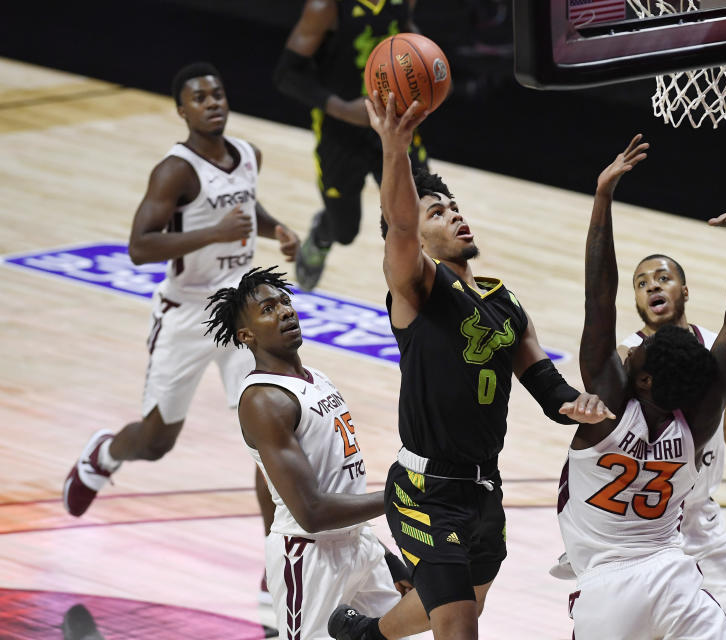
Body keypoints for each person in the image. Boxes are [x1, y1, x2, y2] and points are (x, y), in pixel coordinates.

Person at [324, 92, 614, 640]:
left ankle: (365, 636)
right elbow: (401, 226)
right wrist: (395, 148)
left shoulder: (507, 303)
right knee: (457, 626)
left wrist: (574, 403)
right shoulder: (420, 289)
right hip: (424, 488)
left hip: (484, 490)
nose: (453, 214)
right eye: (437, 211)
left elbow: (544, 383)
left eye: (454, 207)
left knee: (458, 607)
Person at [62, 63, 299, 575]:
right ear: (182, 110)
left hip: (240, 311)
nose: (212, 102)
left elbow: (243, 203)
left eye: (218, 93)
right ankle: (103, 455)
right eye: (200, 97)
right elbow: (139, 246)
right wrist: (212, 234)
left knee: (269, 434)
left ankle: (275, 561)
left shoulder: (249, 155)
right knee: (156, 442)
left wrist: (275, 226)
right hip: (187, 314)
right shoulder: (174, 171)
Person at [557, 133, 726, 640]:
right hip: (671, 570)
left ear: (645, 376)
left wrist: (603, 197)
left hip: (612, 580)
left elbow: (597, 299)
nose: (629, 350)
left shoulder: (606, 410)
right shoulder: (698, 418)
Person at [204, 266, 412, 640]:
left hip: (358, 545)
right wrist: (399, 495)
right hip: (309, 556)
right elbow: (312, 513)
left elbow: (340, 490)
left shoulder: (316, 378)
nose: (285, 311)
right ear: (246, 335)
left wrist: (385, 555)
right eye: (268, 308)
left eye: (285, 301)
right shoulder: (264, 400)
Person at [274, 0, 429, 290]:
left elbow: (404, 31)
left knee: (422, 206)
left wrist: (427, 62)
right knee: (345, 231)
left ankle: (421, 295)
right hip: (340, 130)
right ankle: (323, 233)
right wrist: (343, 108)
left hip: (392, 124)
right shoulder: (325, 7)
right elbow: (286, 74)